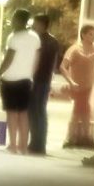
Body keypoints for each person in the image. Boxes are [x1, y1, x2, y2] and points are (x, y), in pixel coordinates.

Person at [60, 25, 94, 148]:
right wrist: (71, 82)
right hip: (76, 86)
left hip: (87, 87)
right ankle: (80, 139)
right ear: (83, 35)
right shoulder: (74, 50)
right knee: (82, 110)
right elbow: (62, 67)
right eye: (90, 34)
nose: (93, 36)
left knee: (82, 111)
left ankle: (76, 139)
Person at [28, 14, 74, 155]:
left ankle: (38, 143)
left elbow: (37, 61)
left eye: (35, 23)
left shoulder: (42, 41)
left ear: (42, 24)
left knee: (37, 111)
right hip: (44, 80)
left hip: (38, 80)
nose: (33, 26)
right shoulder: (52, 41)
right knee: (37, 111)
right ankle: (36, 142)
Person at [0, 9, 40, 155]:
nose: (12, 20)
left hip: (10, 79)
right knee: (23, 113)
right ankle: (23, 147)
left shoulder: (13, 37)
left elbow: (8, 58)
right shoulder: (35, 37)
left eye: (14, 18)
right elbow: (37, 58)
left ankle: (13, 146)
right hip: (26, 79)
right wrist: (31, 74)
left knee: (11, 113)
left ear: (19, 20)